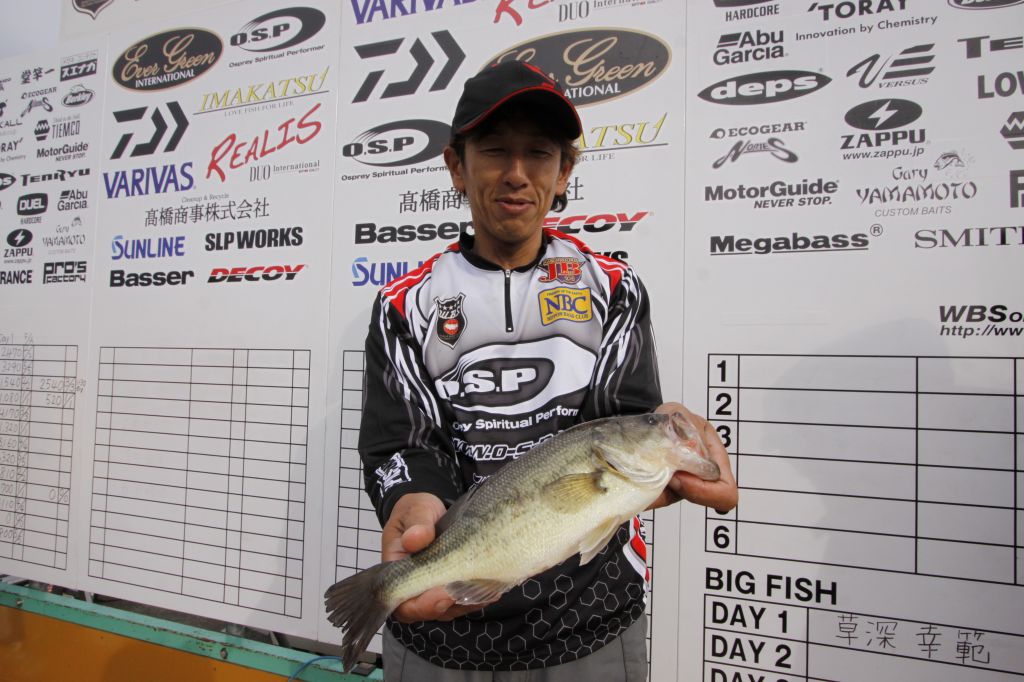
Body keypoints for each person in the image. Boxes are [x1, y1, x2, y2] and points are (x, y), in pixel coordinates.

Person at [357, 60, 737, 680]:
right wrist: (410, 499)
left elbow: (624, 416)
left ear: (564, 173)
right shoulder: (404, 303)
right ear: (456, 166)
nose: (517, 173)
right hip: (440, 631)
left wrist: (669, 434)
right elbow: (401, 442)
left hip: (590, 625)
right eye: (494, 151)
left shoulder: (613, 286)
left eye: (539, 153)